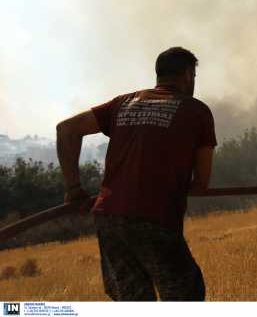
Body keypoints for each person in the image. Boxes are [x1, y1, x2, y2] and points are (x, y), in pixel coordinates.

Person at [56, 47, 216, 301]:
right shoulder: (197, 111)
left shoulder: (123, 103)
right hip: (154, 217)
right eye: (193, 76)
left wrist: (73, 188)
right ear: (188, 74)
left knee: (133, 300)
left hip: (109, 217)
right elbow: (202, 183)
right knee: (185, 295)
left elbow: (66, 130)